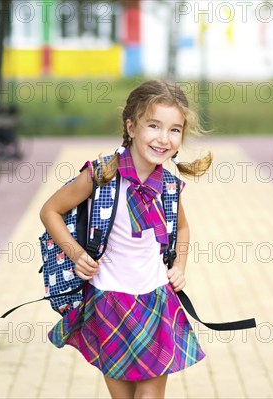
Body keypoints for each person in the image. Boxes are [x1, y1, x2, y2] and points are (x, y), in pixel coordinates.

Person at [39, 80, 213, 398]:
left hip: (156, 302)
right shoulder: (101, 175)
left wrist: (180, 265)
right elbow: (50, 210)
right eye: (154, 126)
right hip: (108, 303)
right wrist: (76, 253)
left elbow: (183, 229)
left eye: (175, 130)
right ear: (131, 127)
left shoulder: (170, 188)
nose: (164, 138)